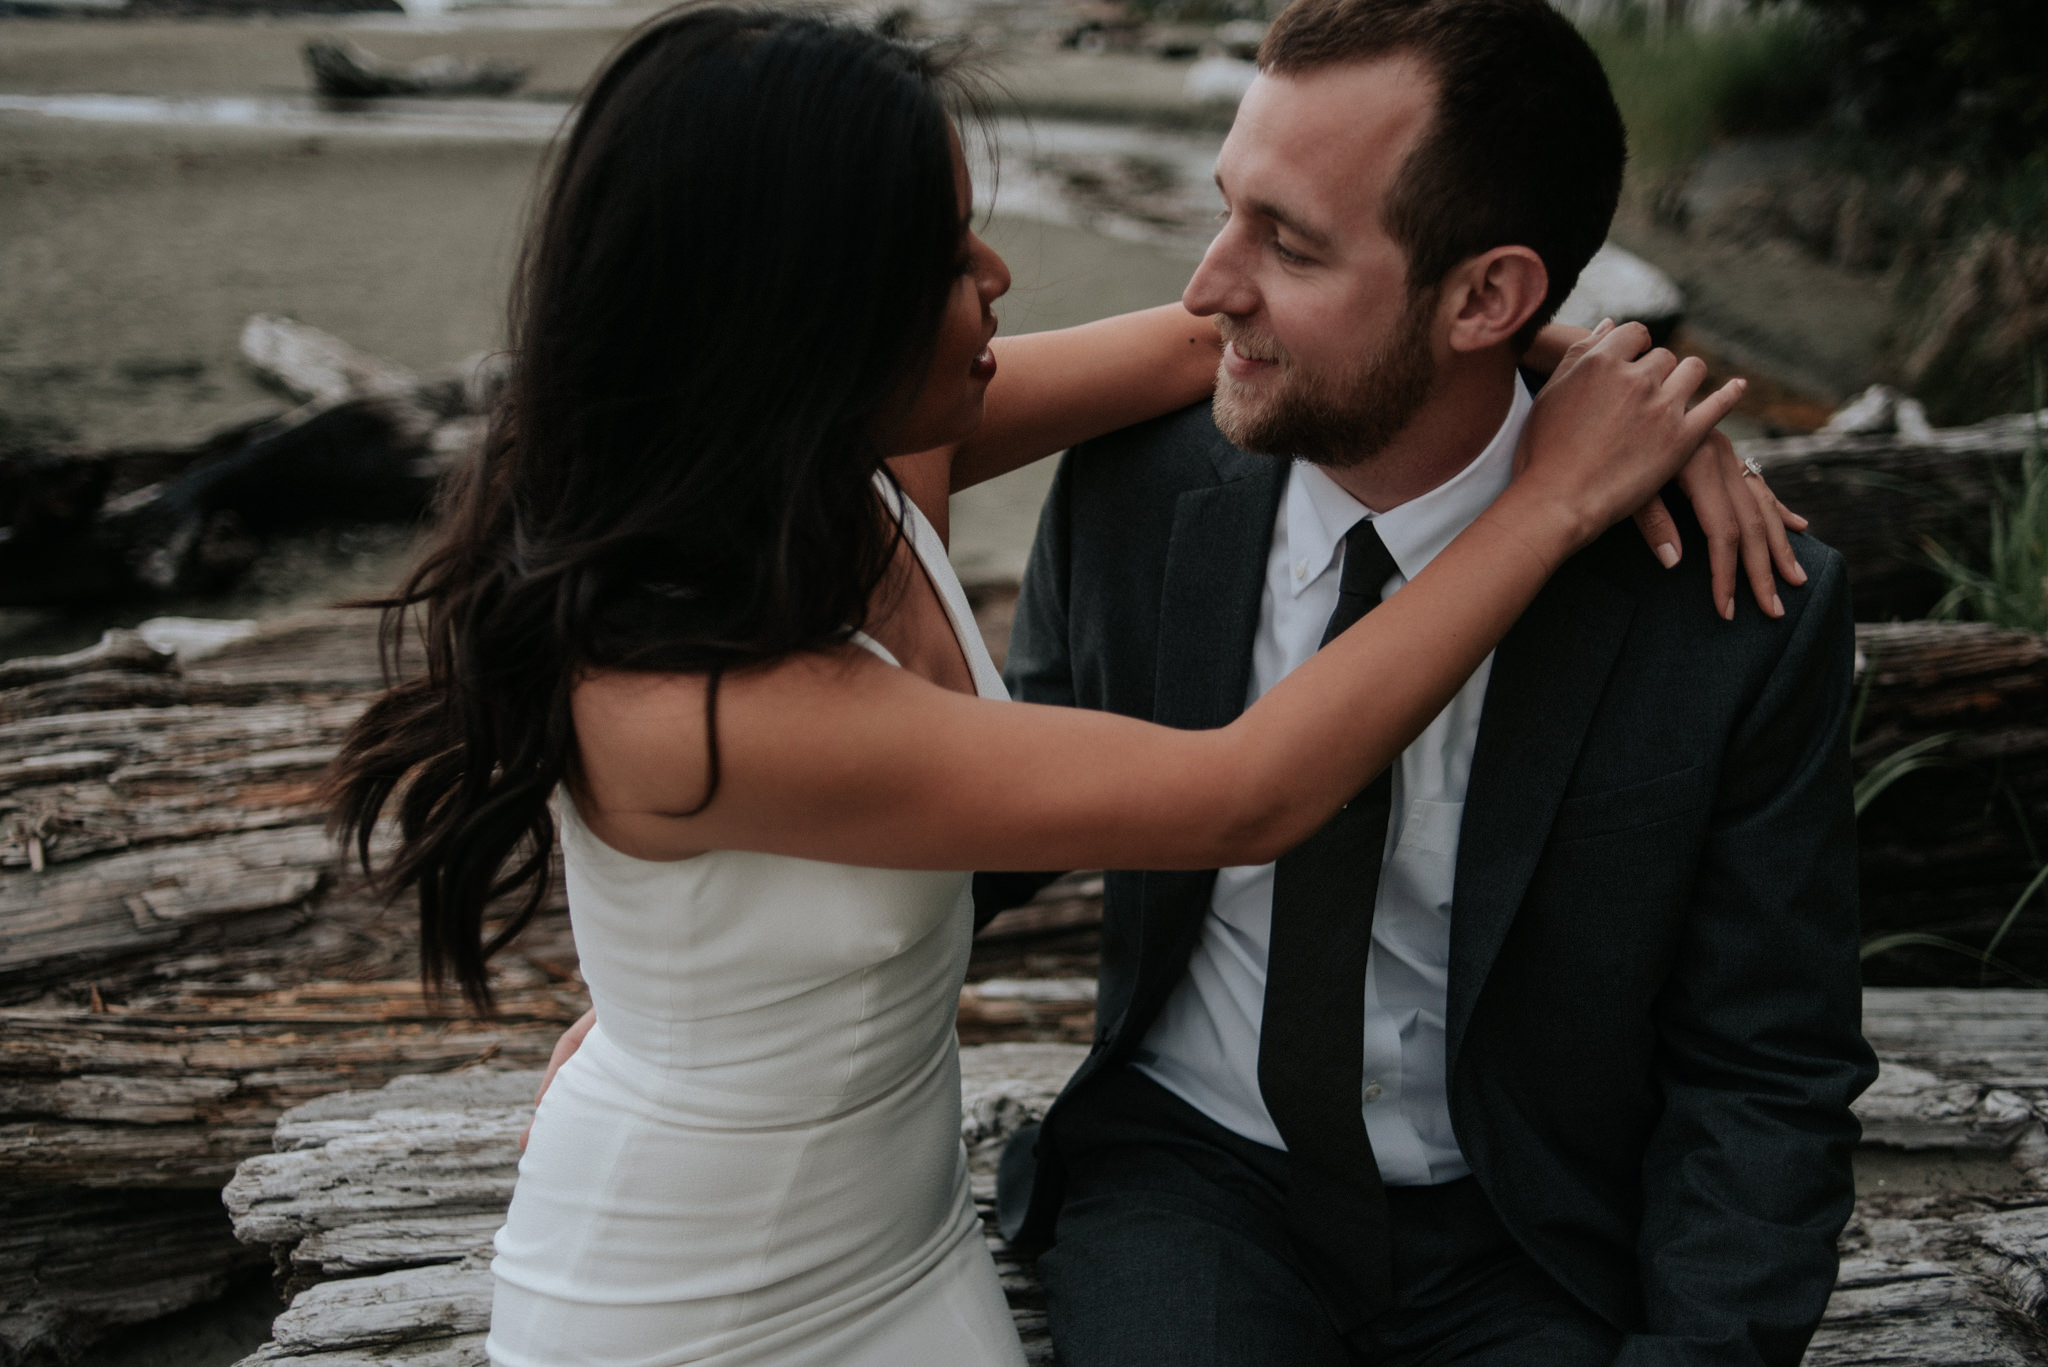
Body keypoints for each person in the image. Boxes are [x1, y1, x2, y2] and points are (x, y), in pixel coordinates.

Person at [327, 5, 1784, 1366]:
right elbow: (1249, 791)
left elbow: (1265, 336)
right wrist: (1552, 505)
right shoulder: (687, 709)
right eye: (947, 255)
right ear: (808, 317)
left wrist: (1571, 363)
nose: (997, 282)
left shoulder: (870, 461)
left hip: (904, 1250)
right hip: (697, 1296)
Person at [972, 1, 1877, 1365]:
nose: (1209, 287)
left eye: (1289, 241)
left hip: (1536, 1234)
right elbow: (995, 819)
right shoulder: (1138, 484)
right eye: (1227, 211)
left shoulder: (1732, 605)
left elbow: (1767, 1069)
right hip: (1190, 1182)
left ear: (1487, 299)